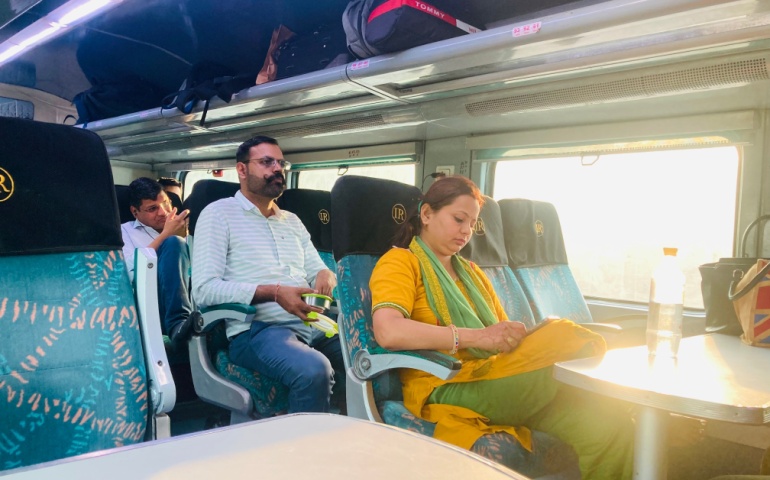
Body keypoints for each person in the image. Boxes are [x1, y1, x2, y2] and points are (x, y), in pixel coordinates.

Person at [369, 175, 634, 480]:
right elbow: (388, 331)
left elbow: (497, 333)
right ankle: (599, 360)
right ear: (427, 214)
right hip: (445, 385)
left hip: (493, 375)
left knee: (611, 426)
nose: (467, 231)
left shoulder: (472, 272)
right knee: (562, 335)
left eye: (472, 223)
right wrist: (477, 337)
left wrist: (515, 335)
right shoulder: (400, 262)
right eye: (458, 219)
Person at [191, 135, 344, 414]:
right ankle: (303, 454)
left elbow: (317, 268)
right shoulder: (218, 214)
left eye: (281, 163)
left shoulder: (292, 221)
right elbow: (203, 290)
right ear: (241, 170)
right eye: (266, 162)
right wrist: (273, 292)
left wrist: (325, 275)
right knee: (313, 370)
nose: (277, 169)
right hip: (257, 330)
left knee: (362, 358)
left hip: (311, 323)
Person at [121, 177, 193, 350]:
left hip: (194, 300)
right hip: (153, 306)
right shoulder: (125, 231)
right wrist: (166, 236)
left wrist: (187, 237)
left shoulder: (186, 227)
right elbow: (131, 273)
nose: (163, 212)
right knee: (174, 243)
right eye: (153, 208)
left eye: (166, 204)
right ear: (135, 212)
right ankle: (178, 323)